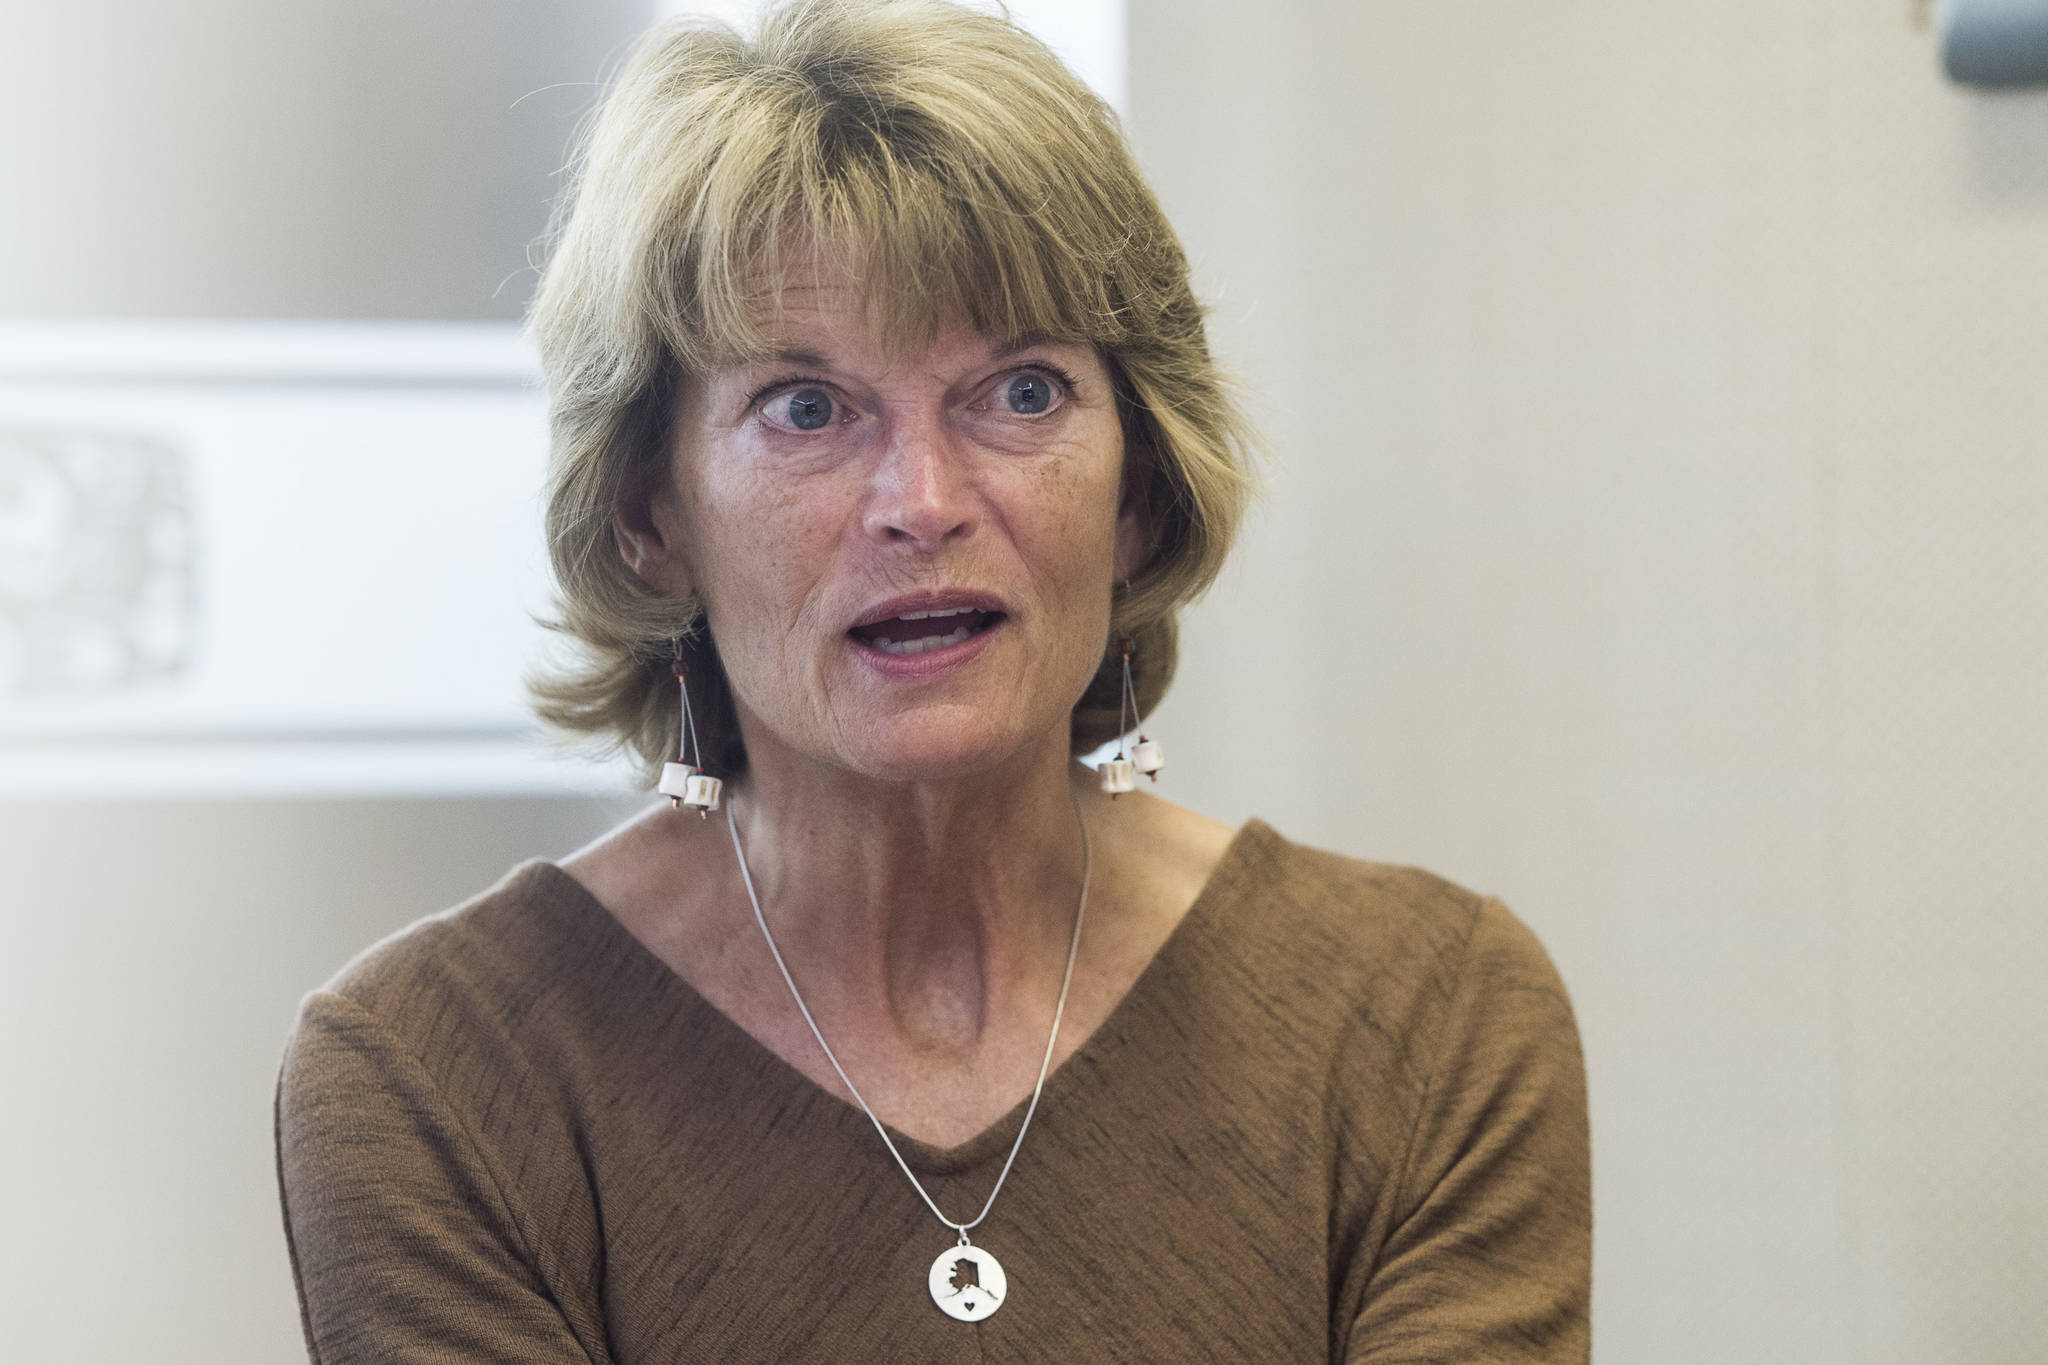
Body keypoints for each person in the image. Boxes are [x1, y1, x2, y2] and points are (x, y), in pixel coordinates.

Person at [273, 1, 1591, 1360]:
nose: (924, 499)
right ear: (650, 515)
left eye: (1019, 393)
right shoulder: (441, 1071)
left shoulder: (1424, 1017)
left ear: (1139, 487)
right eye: (806, 407)